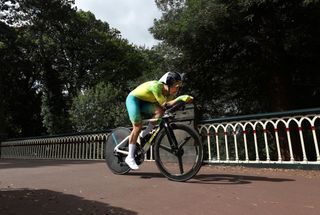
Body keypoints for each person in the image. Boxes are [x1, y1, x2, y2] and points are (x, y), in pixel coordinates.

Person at [125, 71, 193, 170]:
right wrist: (180, 99)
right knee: (137, 126)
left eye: (179, 86)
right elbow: (166, 104)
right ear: (168, 84)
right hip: (133, 100)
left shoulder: (169, 94)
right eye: (176, 85)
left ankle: (144, 134)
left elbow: (166, 107)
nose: (178, 89)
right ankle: (129, 157)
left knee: (159, 111)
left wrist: (181, 102)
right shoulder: (156, 86)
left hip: (144, 102)